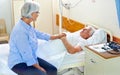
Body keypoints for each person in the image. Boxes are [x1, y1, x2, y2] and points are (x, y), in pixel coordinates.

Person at [8, 1, 66, 75]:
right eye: (37, 12)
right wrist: (39, 67)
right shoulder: (20, 31)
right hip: (19, 63)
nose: (38, 15)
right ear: (31, 13)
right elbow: (26, 53)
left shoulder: (27, 25)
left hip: (29, 58)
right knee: (42, 74)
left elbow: (41, 34)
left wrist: (57, 36)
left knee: (52, 70)